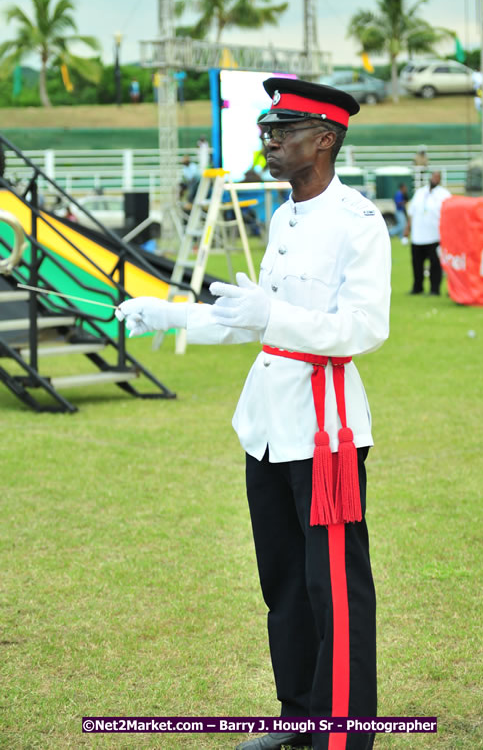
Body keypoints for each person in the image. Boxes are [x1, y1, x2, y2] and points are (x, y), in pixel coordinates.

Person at [116, 78, 391, 750]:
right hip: (269, 428)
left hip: (325, 433)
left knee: (336, 591)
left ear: (323, 140)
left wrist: (273, 314)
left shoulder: (358, 221)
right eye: (266, 129)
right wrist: (171, 314)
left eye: (283, 130)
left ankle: (344, 737)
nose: (267, 142)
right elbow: (254, 323)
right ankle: (299, 717)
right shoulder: (281, 218)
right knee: (285, 586)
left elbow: (364, 326)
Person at [404, 170, 451, 296]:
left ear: (440, 179)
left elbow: (449, 214)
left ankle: (434, 289)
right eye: (433, 176)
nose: (435, 178)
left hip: (434, 236)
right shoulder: (420, 192)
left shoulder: (444, 194)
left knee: (435, 265)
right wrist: (407, 229)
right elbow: (411, 212)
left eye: (437, 177)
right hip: (418, 236)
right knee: (416, 264)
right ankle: (417, 287)